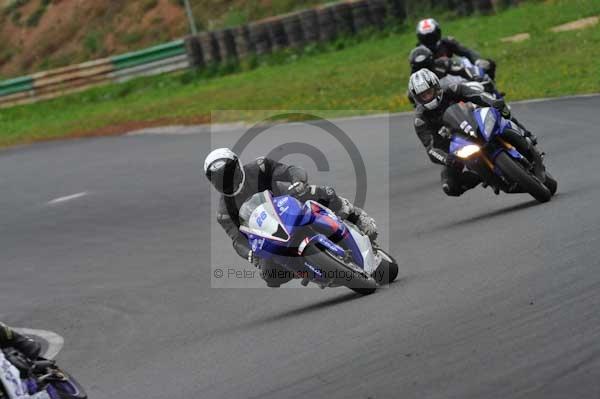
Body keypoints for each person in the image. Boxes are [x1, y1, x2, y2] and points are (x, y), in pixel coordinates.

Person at [204, 148, 377, 287]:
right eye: (220, 180)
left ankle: (355, 215)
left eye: (229, 175)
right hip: (268, 233)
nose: (226, 182)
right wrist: (251, 255)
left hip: (287, 203)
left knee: (319, 192)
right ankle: (306, 269)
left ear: (238, 167)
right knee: (269, 275)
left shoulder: (260, 167)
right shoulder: (224, 211)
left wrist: (298, 182)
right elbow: (237, 239)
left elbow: (290, 170)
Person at [408, 68, 540, 197]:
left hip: (474, 124)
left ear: (436, 86)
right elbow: (430, 149)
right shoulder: (420, 120)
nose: (427, 97)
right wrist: (446, 159)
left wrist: (493, 102)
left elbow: (477, 95)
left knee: (500, 113)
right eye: (422, 96)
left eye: (428, 92)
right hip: (455, 148)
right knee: (450, 186)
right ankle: (482, 176)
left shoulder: (452, 89)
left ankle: (526, 135)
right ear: (417, 98)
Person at [416, 18, 496, 79]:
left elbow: (467, 52)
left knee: (489, 65)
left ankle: (494, 96)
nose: (430, 40)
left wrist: (477, 61)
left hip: (455, 74)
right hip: (436, 83)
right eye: (426, 38)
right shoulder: (418, 53)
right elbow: (416, 75)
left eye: (432, 36)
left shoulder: (446, 42)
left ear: (438, 33)